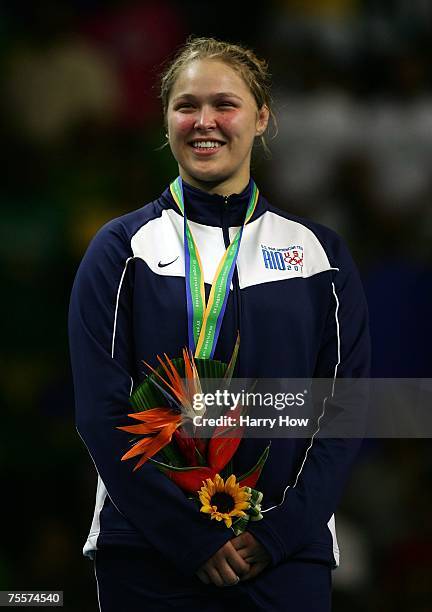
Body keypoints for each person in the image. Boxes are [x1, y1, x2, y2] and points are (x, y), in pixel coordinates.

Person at [68, 36, 370, 612]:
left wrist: (279, 535)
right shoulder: (120, 250)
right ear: (166, 120)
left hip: (285, 556)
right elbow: (101, 412)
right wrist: (190, 537)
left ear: (262, 118)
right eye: (186, 105)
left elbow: (345, 409)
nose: (204, 121)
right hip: (148, 556)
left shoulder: (317, 255)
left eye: (224, 104)